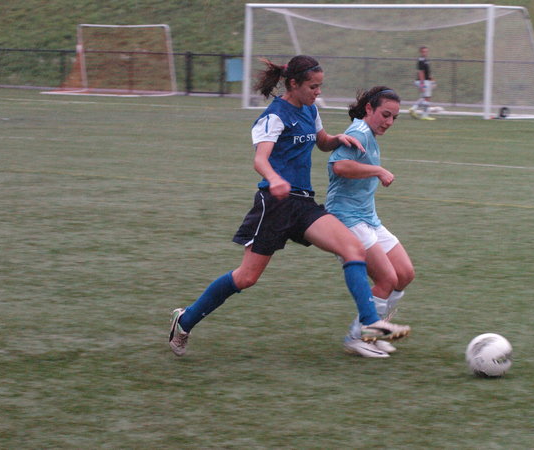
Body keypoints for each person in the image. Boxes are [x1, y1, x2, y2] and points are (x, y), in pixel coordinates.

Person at [169, 55, 411, 356]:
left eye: (320, 86)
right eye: (313, 87)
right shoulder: (274, 116)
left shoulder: (310, 109)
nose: (317, 92)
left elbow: (321, 142)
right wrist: (274, 178)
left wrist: (338, 139)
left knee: (353, 249)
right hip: (275, 204)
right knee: (246, 277)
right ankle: (185, 320)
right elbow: (260, 159)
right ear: (293, 84)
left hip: (303, 203)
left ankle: (369, 325)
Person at [326, 86, 415, 358]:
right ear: (369, 108)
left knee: (404, 274)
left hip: (368, 218)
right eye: (385, 115)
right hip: (346, 218)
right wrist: (378, 170)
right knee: (387, 278)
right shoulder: (359, 131)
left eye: (394, 118)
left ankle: (375, 333)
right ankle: (359, 337)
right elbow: (339, 166)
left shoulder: (368, 134)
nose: (389, 122)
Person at [409, 46, 436, 121]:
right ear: (420, 52)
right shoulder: (421, 61)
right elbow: (421, 72)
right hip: (424, 81)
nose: (425, 53)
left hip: (427, 81)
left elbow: (428, 73)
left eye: (426, 51)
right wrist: (422, 84)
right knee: (426, 98)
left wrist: (433, 81)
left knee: (425, 98)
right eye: (423, 51)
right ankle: (415, 109)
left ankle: (420, 113)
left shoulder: (426, 60)